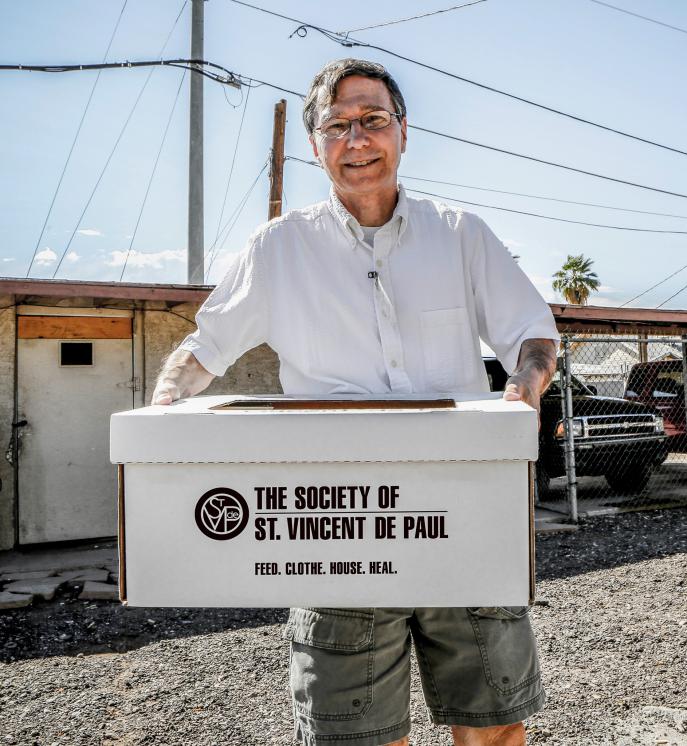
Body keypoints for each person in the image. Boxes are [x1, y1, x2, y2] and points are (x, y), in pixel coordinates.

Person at [153, 58, 559, 746]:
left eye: (373, 120)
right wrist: (158, 419)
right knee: (355, 738)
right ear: (314, 145)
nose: (356, 138)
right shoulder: (278, 248)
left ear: (403, 131)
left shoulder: (460, 234)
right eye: (336, 125)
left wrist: (524, 391)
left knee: (491, 726)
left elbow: (533, 335)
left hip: (461, 514)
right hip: (335, 531)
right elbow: (204, 350)